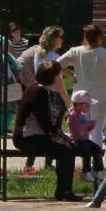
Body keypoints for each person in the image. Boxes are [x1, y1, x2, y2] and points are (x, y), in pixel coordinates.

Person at [17, 60, 80, 201]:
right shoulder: (40, 91)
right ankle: (64, 191)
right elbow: (44, 122)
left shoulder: (36, 88)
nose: (61, 78)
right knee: (66, 151)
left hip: (30, 136)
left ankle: (63, 190)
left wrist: (60, 135)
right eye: (59, 75)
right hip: (28, 138)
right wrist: (61, 137)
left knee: (66, 149)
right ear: (53, 77)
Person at [59, 24, 106, 122]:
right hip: (102, 97)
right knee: (97, 129)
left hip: (80, 97)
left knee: (80, 129)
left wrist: (71, 74)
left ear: (85, 36)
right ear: (99, 37)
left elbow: (57, 64)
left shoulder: (75, 51)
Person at [67, 90, 104, 187]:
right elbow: (78, 128)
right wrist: (89, 124)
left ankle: (98, 169)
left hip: (85, 140)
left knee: (97, 149)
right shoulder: (72, 116)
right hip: (77, 141)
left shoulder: (82, 115)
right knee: (86, 151)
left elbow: (86, 130)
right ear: (79, 104)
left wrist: (91, 125)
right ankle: (86, 171)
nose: (89, 107)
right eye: (87, 105)